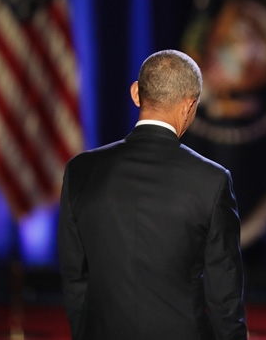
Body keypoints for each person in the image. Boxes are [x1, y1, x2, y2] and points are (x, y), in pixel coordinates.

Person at [58, 49, 247, 340]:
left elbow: (75, 278)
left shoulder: (80, 171)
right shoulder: (212, 180)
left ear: (136, 93)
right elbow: (224, 294)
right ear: (189, 105)